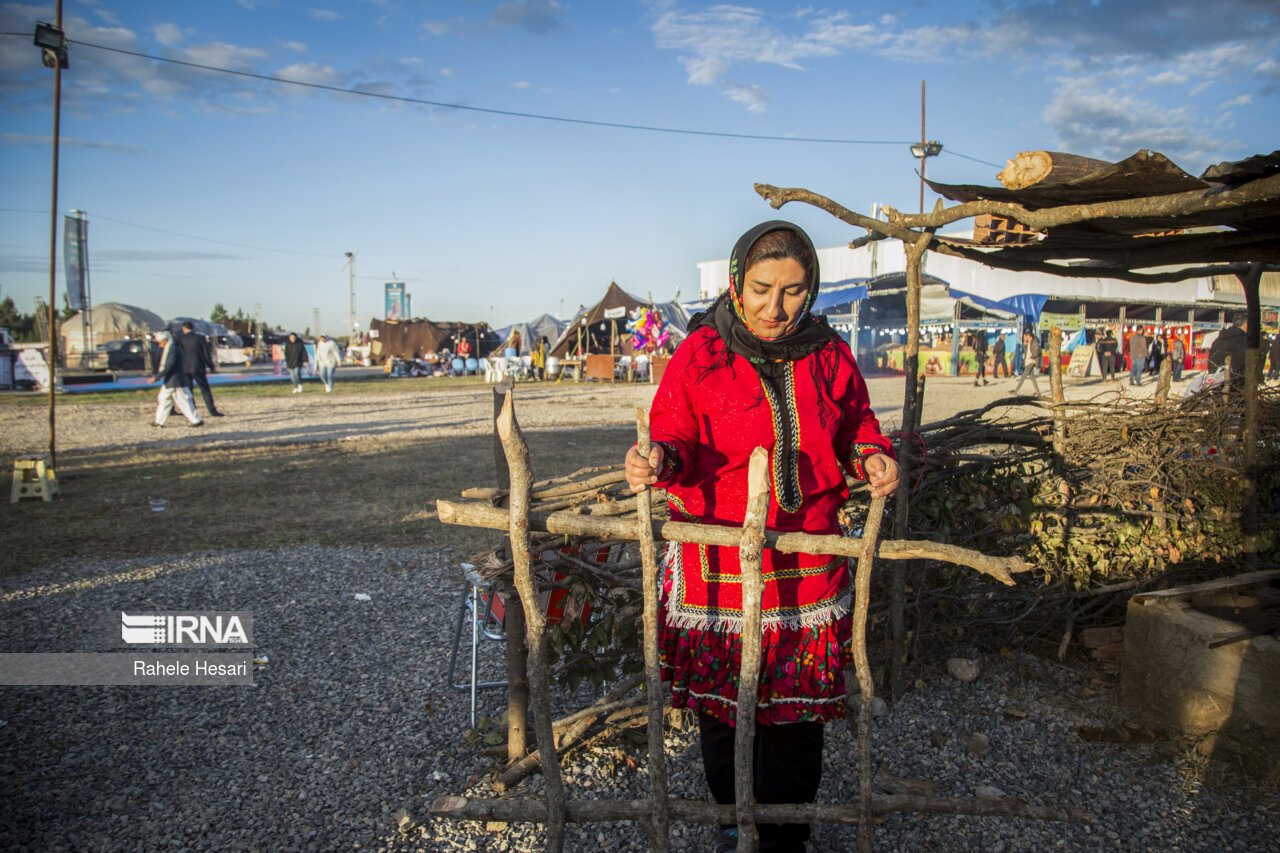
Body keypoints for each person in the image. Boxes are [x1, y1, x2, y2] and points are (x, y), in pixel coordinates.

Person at [623, 221, 899, 853]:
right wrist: (657, 460)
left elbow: (857, 421)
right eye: (762, 288)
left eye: (795, 292)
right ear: (735, 282)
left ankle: (787, 836)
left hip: (806, 559)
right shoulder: (701, 355)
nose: (776, 308)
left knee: (798, 714)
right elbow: (673, 435)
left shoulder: (829, 354)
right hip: (718, 557)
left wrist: (872, 456)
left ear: (813, 290)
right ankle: (732, 820)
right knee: (724, 710)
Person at [147, 330, 203, 428]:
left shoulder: (173, 350)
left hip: (175, 381)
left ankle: (196, 420)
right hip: (172, 381)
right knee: (164, 400)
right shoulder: (170, 349)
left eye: (161, 342)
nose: (159, 344)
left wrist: (156, 377)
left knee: (183, 402)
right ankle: (159, 421)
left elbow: (169, 366)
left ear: (165, 340)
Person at [177, 321, 223, 417]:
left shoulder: (180, 339)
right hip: (198, 367)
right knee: (205, 390)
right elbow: (206, 354)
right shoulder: (200, 338)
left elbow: (178, 353)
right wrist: (211, 366)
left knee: (188, 390)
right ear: (193, 328)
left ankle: (191, 410)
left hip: (185, 368)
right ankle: (212, 410)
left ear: (183, 328)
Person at [1207, 312, 1247, 383]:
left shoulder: (1218, 340)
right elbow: (1244, 363)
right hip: (1235, 382)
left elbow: (1211, 361)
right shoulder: (1243, 340)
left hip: (1215, 381)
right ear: (1246, 325)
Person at [1012, 331, 1043, 396]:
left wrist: (1033, 356)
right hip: (1028, 361)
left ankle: (1016, 390)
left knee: (1023, 376)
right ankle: (1038, 392)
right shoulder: (1030, 342)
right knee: (1032, 378)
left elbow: (1037, 350)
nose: (1024, 338)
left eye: (1025, 336)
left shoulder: (1034, 342)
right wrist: (1024, 344)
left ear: (1028, 336)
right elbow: (1025, 351)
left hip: (1031, 361)